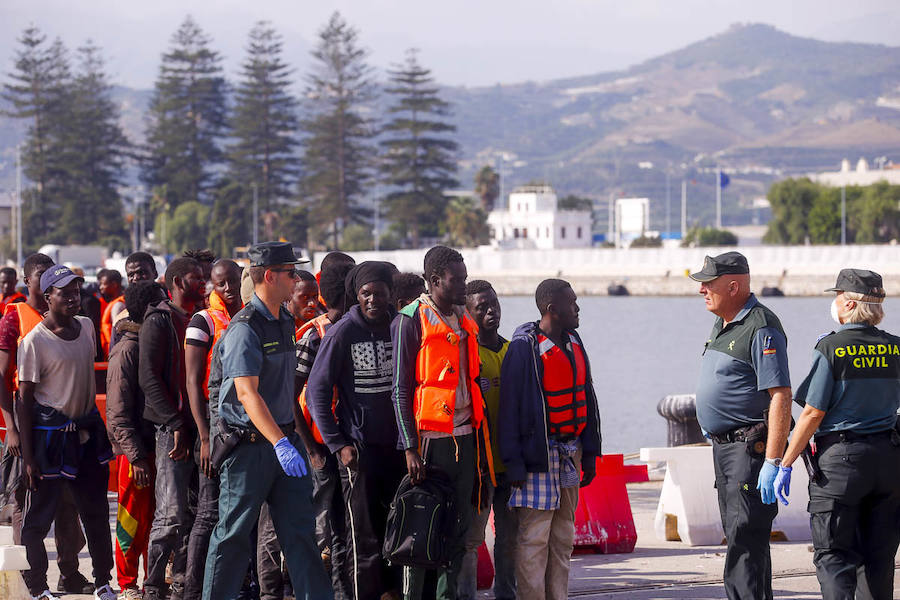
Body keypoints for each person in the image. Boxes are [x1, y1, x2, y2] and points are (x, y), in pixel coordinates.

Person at [203, 241, 332, 600]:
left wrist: (288, 443)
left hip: (284, 443)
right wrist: (280, 443)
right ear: (270, 276)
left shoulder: (285, 320)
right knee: (232, 538)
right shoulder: (246, 328)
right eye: (290, 273)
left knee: (301, 536)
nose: (296, 279)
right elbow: (247, 394)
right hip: (250, 449)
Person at [773, 269, 900, 600]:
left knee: (834, 556)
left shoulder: (831, 347)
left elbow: (813, 413)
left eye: (838, 296)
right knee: (878, 560)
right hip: (889, 461)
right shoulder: (895, 347)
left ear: (848, 303)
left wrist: (784, 463)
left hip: (841, 465)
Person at [391, 245, 493, 600]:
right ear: (435, 281)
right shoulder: (410, 319)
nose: (464, 285)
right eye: (456, 280)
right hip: (430, 442)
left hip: (466, 437)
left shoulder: (465, 319)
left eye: (465, 278)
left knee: (458, 529)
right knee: (421, 529)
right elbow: (400, 390)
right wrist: (410, 448)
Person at [689, 251, 792, 600]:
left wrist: (773, 461)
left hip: (748, 451)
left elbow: (780, 394)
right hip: (726, 450)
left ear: (733, 286)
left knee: (744, 545)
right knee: (740, 540)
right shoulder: (725, 322)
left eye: (709, 283)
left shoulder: (760, 326)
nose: (702, 289)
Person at [16, 265, 116, 600]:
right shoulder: (34, 341)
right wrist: (28, 458)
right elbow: (24, 401)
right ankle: (38, 587)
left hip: (87, 437)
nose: (74, 298)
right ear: (48, 297)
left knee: (96, 513)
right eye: (65, 293)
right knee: (38, 519)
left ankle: (103, 581)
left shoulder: (86, 326)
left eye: (76, 292)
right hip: (50, 440)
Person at [307, 261, 404, 600]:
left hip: (398, 448)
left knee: (398, 528)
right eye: (366, 294)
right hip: (359, 450)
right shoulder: (342, 332)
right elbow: (316, 391)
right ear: (357, 295)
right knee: (363, 536)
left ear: (390, 294)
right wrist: (337, 444)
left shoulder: (400, 325)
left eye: (380, 293)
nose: (373, 300)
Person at [498, 278, 600, 600]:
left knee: (563, 538)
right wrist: (513, 463)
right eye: (572, 303)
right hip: (537, 458)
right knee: (534, 539)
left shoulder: (574, 341)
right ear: (552, 309)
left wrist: (590, 454)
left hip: (571, 452)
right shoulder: (523, 348)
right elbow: (509, 409)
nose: (577, 308)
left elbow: (588, 397)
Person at [0, 254, 92, 596]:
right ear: (28, 281)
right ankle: (30, 580)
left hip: (65, 431)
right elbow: (1, 376)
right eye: (41, 275)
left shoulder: (70, 319)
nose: (48, 280)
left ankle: (70, 573)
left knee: (68, 505)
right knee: (28, 508)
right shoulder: (14, 317)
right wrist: (12, 427)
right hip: (29, 427)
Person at [140, 257, 206, 600]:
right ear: (178, 281)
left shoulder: (201, 318)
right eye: (197, 278)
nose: (203, 282)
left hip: (200, 429)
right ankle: (153, 585)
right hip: (172, 431)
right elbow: (149, 378)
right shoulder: (159, 320)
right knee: (170, 515)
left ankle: (183, 580)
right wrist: (176, 422)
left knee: (197, 513)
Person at [295, 257, 356, 599]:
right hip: (319, 445)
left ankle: (341, 590)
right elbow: (291, 396)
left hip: (347, 443)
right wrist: (312, 449)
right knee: (321, 526)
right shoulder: (314, 335)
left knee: (343, 525)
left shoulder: (357, 329)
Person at [182, 259, 243, 600]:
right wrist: (205, 437)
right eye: (222, 283)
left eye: (234, 280)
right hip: (213, 421)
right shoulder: (202, 320)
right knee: (208, 513)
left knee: (239, 512)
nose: (229, 288)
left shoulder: (251, 315)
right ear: (212, 286)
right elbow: (193, 382)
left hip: (244, 421)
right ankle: (192, 591)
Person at [106, 280, 169, 599]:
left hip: (155, 449)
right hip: (135, 454)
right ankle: (128, 584)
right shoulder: (128, 350)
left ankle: (151, 583)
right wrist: (136, 456)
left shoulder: (149, 342)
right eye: (160, 304)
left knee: (156, 519)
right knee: (132, 520)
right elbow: (117, 412)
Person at [458, 279, 517, 600]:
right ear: (468, 313)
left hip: (509, 465)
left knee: (509, 538)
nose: (491, 311)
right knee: (471, 540)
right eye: (482, 308)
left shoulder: (513, 351)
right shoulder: (465, 354)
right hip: (478, 468)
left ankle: (507, 594)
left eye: (494, 304)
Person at [110, 252, 160, 350]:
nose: (136, 278)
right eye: (131, 275)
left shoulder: (169, 311)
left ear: (155, 273)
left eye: (142, 272)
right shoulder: (121, 319)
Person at [98, 268, 124, 357]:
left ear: (114, 284)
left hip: (115, 353)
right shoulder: (113, 302)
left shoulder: (119, 305)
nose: (100, 287)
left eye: (103, 284)